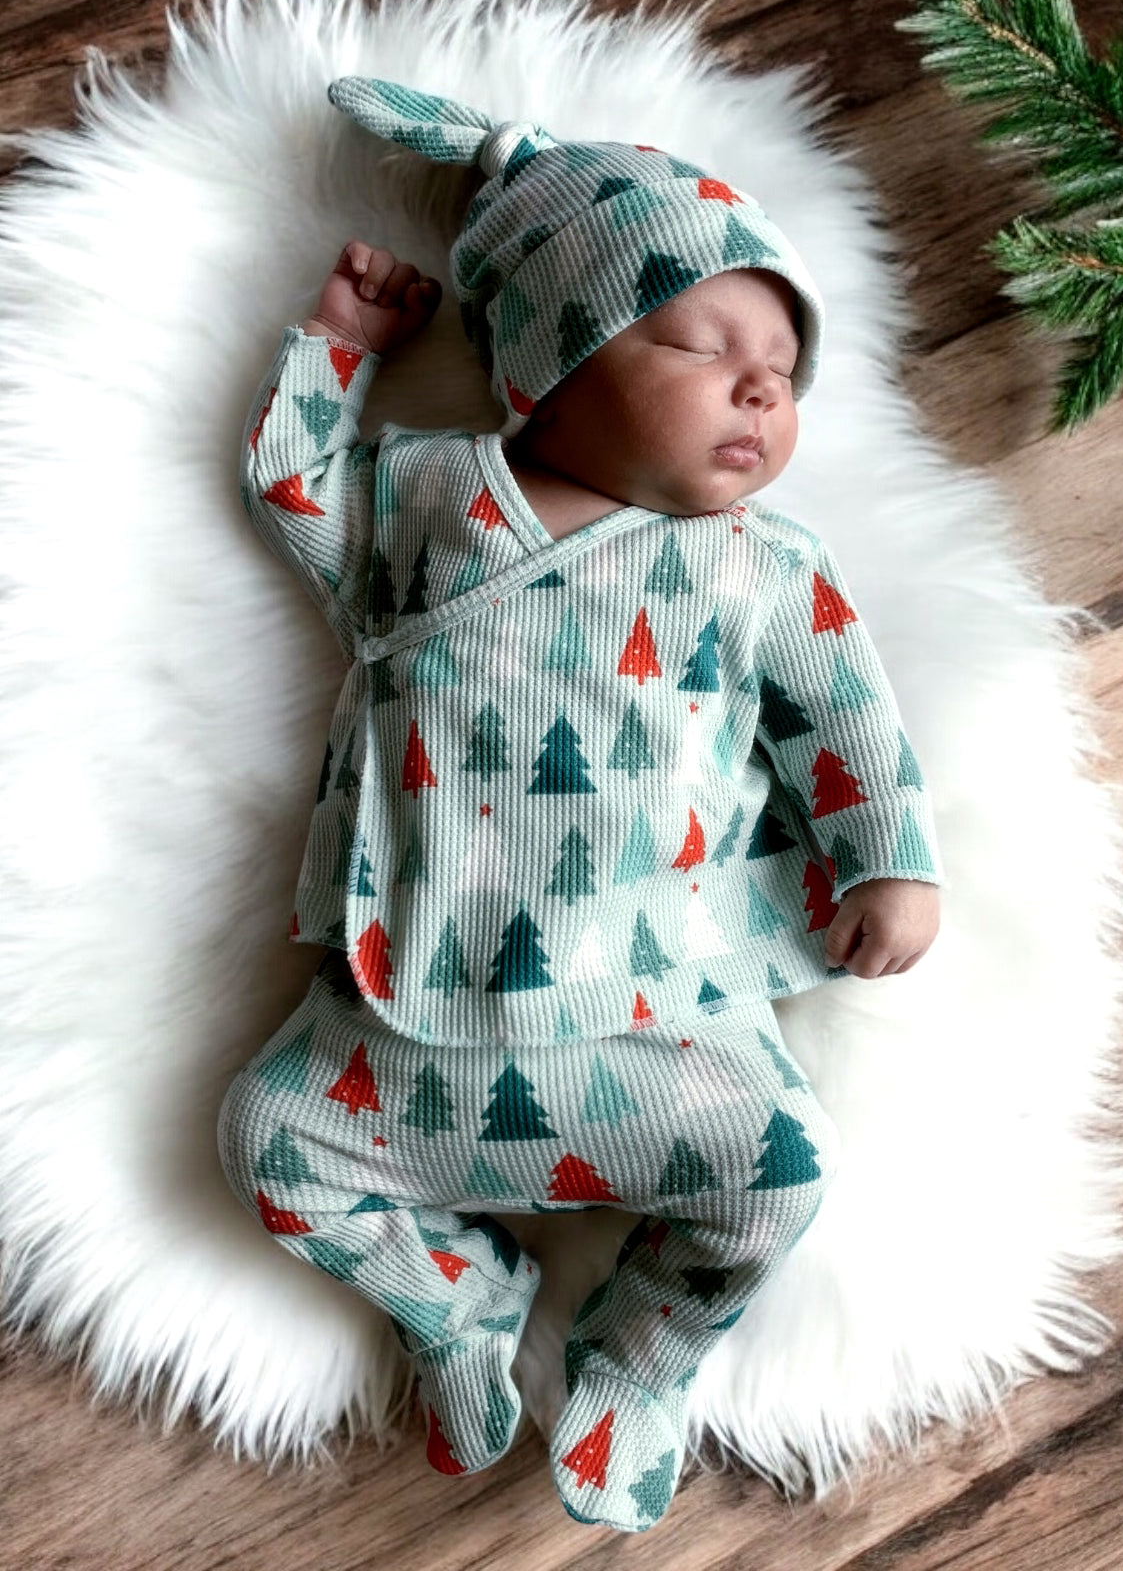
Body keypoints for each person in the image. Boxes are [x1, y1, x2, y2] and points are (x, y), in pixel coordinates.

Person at [216, 79, 944, 1533]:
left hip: (649, 1024)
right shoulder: (429, 504)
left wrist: (885, 856)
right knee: (266, 1147)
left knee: (779, 1180)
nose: (760, 389)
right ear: (548, 357)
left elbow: (845, 718)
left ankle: (644, 1348)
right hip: (403, 1020)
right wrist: (339, 349)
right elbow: (292, 484)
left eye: (785, 373)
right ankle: (459, 1306)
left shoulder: (756, 566)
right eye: (704, 343)